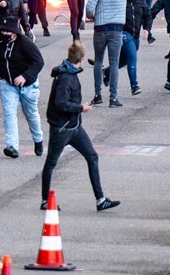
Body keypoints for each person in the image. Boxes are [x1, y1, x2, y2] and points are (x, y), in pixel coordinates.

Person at [42, 41, 121, 212]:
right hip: (62, 129)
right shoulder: (66, 78)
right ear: (81, 59)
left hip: (74, 127)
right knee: (51, 163)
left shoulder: (67, 72)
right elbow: (60, 103)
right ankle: (45, 200)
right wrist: (81, 108)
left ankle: (100, 200)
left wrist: (78, 109)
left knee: (92, 156)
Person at [0, 16, 45, 158]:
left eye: (9, 32)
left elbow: (39, 62)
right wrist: (0, 72)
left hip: (29, 85)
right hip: (7, 83)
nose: (6, 34)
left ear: (16, 32)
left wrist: (24, 76)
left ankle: (38, 140)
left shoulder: (26, 44)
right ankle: (12, 146)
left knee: (31, 114)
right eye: (4, 31)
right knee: (9, 113)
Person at [86, 0, 133, 107]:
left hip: (100, 29)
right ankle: (113, 98)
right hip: (117, 30)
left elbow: (89, 8)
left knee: (99, 61)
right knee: (114, 63)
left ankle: (97, 95)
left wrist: (93, 17)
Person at [102, 0, 152, 96]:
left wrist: (147, 29)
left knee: (124, 60)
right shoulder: (122, 1)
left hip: (135, 36)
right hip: (124, 33)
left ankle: (107, 72)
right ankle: (134, 86)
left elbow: (148, 17)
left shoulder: (141, 2)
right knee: (132, 57)